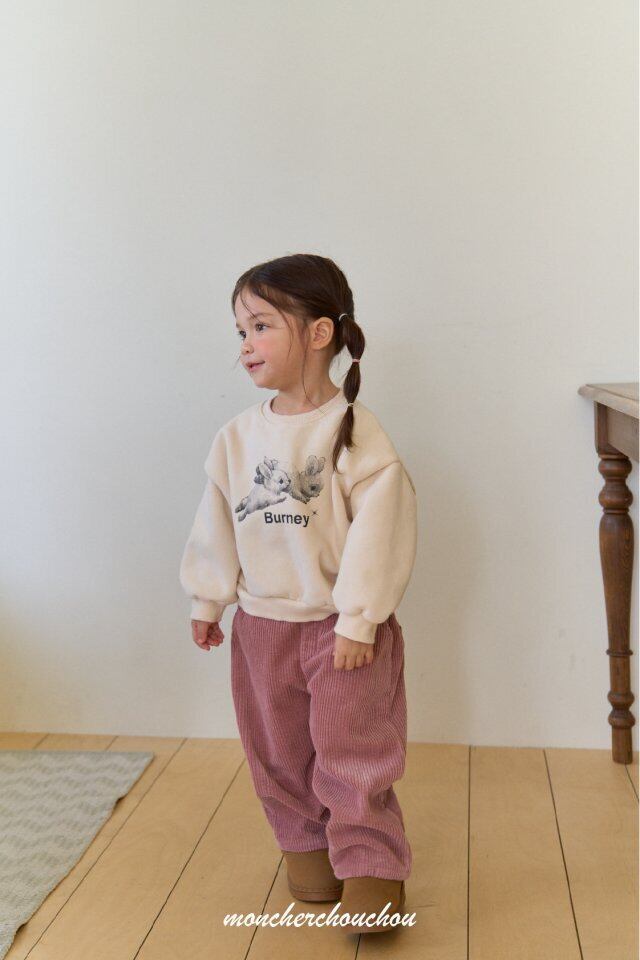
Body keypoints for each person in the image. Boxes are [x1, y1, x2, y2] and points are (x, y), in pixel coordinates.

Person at [179, 253, 418, 935]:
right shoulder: (236, 438)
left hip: (341, 632)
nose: (245, 345)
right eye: (240, 331)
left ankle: (371, 869)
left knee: (353, 751)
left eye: (261, 326)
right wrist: (208, 600)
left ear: (318, 333)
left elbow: (381, 533)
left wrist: (360, 620)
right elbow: (216, 524)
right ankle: (308, 853)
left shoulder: (356, 434)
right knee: (277, 750)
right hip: (262, 628)